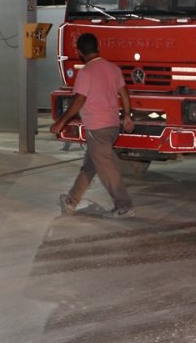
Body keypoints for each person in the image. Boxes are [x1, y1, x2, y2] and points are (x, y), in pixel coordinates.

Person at [50, 32, 136, 218]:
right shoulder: (113, 68)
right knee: (90, 165)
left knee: (107, 169)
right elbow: (124, 93)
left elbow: (79, 100)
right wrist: (127, 116)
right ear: (97, 47)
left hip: (97, 128)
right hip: (113, 126)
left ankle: (124, 205)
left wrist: (61, 122)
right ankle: (71, 200)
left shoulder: (86, 72)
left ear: (79, 51)